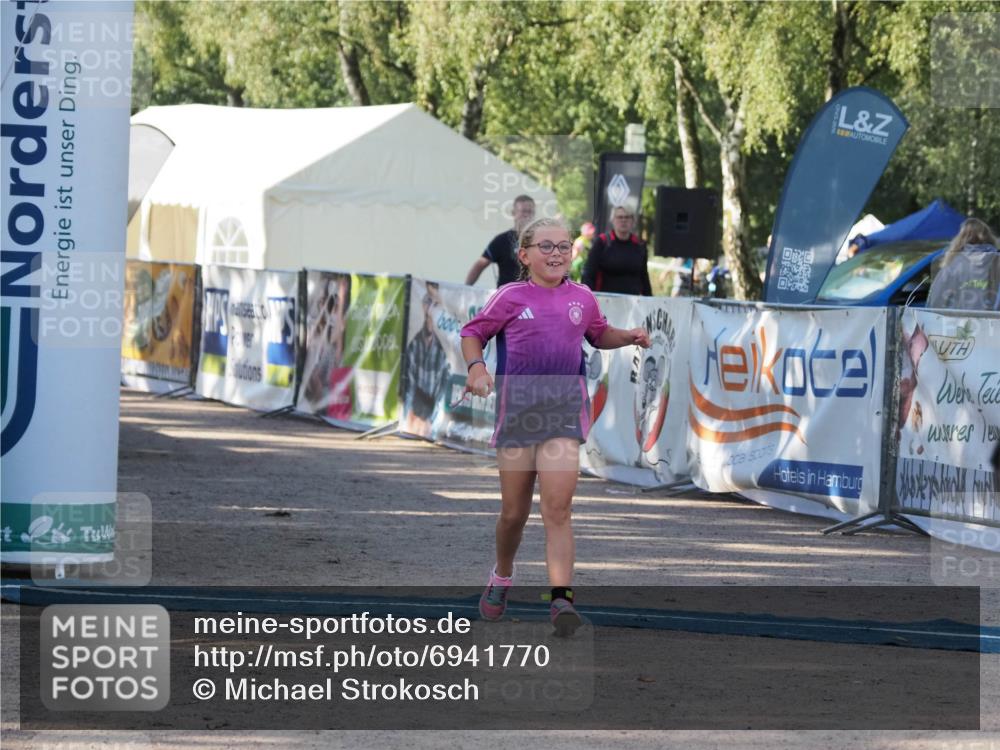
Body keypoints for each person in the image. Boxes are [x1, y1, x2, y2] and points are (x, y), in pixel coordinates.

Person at [459, 217, 651, 636]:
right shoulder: (510, 296)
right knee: (513, 514)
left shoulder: (582, 296)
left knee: (557, 509)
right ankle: (503, 575)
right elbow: (474, 332)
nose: (556, 254)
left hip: (564, 413)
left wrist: (630, 336)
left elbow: (598, 335)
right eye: (546, 247)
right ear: (524, 256)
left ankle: (561, 600)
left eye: (563, 247)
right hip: (518, 415)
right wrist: (476, 369)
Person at [927, 218, 1000, 311]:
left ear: (961, 237)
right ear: (988, 235)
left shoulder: (952, 262)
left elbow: (936, 300)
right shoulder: (997, 261)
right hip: (994, 322)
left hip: (960, 322)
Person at [465, 195, 536, 287]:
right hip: (507, 297)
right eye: (523, 211)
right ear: (513, 213)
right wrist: (465, 288)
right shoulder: (501, 240)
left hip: (534, 296)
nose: (526, 215)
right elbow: (480, 264)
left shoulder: (542, 240)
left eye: (530, 212)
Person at [581, 205, 653, 296]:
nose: (623, 220)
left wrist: (649, 300)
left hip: (633, 302)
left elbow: (644, 276)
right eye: (619, 217)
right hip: (605, 300)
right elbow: (589, 274)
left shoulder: (640, 245)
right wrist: (587, 298)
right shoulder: (602, 242)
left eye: (627, 217)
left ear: (633, 221)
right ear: (613, 220)